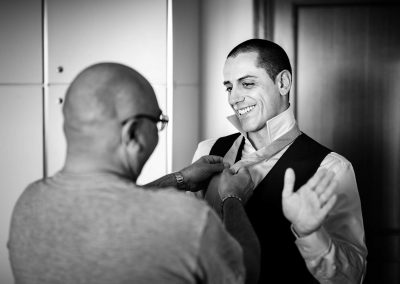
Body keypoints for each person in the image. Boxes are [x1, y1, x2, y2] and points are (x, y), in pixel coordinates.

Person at [8, 63, 261, 284]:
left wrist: (179, 179)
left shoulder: (28, 202)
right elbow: (245, 273)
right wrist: (232, 199)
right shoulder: (184, 221)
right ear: (132, 133)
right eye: (157, 122)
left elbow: (103, 210)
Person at [192, 39, 368, 283]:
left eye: (247, 84)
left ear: (283, 83)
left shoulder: (331, 168)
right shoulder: (207, 151)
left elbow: (352, 276)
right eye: (229, 87)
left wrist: (311, 234)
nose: (234, 98)